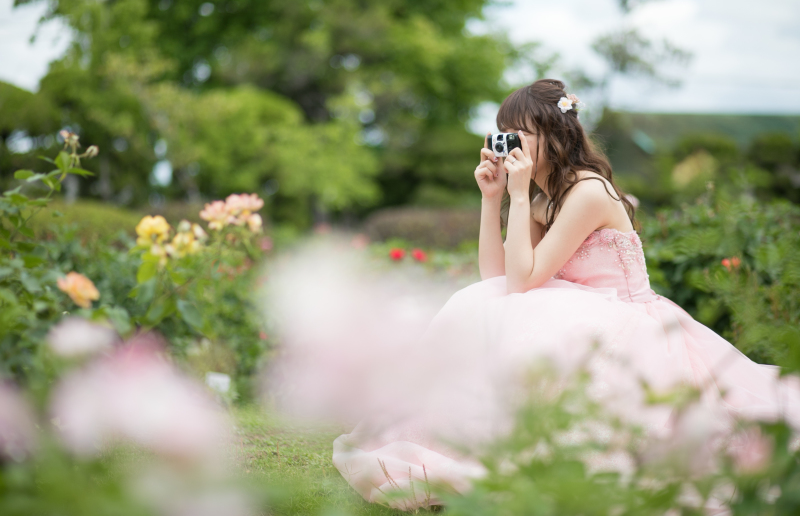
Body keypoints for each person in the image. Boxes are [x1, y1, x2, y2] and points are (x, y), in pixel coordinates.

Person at [320, 79, 800, 511]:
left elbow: (526, 280)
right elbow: (500, 281)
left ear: (554, 135)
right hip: (579, 312)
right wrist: (495, 199)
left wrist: (521, 189)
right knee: (478, 303)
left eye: (520, 134)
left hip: (628, 321)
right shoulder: (542, 194)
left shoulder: (588, 190)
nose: (510, 145)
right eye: (504, 133)